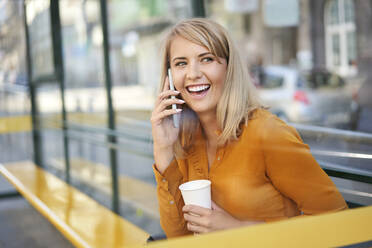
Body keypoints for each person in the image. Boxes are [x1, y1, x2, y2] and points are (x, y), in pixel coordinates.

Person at [150, 18, 347, 238]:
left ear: (229, 68)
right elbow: (179, 236)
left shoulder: (267, 132)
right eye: (181, 63)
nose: (193, 73)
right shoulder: (186, 140)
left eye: (206, 59)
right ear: (169, 78)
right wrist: (163, 149)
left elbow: (336, 221)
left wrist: (238, 230)